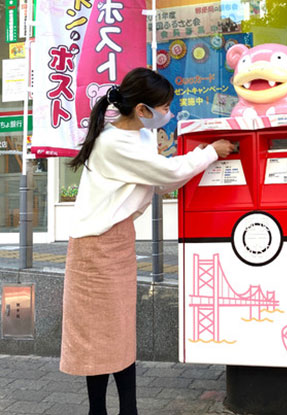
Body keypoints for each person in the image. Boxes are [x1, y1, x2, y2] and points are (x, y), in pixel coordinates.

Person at [60, 67, 234, 415]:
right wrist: (211, 152)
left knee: (120, 331)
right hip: (94, 246)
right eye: (165, 107)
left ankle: (128, 409)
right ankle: (100, 410)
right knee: (99, 336)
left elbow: (163, 182)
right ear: (142, 109)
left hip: (117, 239)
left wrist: (198, 160)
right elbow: (169, 173)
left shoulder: (139, 136)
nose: (168, 114)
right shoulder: (113, 143)